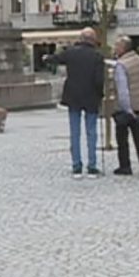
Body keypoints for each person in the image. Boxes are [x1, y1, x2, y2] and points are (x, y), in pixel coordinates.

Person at [44, 28, 105, 179]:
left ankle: (76, 166)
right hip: (91, 97)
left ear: (81, 38)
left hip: (74, 97)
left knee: (75, 132)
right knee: (91, 132)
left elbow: (56, 59)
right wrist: (100, 94)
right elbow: (99, 80)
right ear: (93, 40)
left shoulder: (71, 53)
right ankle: (92, 166)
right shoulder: (97, 56)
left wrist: (46, 57)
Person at [111, 36, 139, 176]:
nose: (114, 48)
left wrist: (126, 108)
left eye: (116, 46)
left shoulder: (121, 65)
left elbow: (122, 90)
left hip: (126, 108)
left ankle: (125, 166)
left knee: (122, 138)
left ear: (123, 48)